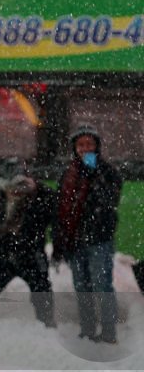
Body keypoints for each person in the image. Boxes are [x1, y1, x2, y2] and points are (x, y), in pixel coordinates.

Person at [52, 124, 122, 343]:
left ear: (97, 147)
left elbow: (110, 201)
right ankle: (88, 330)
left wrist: (94, 177)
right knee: (82, 287)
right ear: (74, 148)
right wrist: (59, 242)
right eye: (80, 145)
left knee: (102, 286)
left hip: (99, 239)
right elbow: (61, 210)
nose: (85, 149)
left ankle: (109, 333)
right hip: (75, 242)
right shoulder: (69, 174)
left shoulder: (107, 172)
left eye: (89, 144)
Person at [0, 170, 56, 327]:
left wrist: (37, 188)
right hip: (5, 252)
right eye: (14, 187)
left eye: (23, 186)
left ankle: (47, 325)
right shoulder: (2, 197)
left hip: (31, 252)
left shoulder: (40, 197)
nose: (18, 192)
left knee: (42, 290)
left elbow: (50, 210)